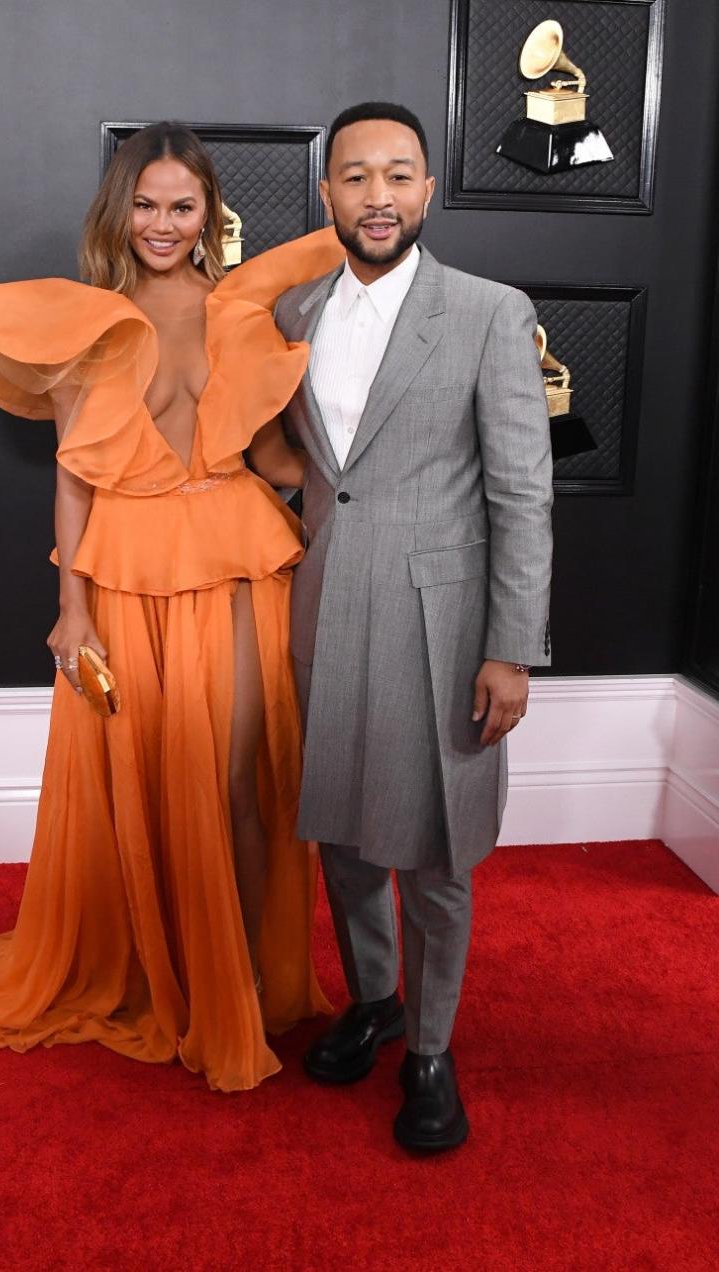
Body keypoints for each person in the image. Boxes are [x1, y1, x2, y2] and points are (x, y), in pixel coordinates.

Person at [0, 123, 343, 1092]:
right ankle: (175, 981)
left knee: (239, 777)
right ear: (119, 210)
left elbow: (268, 456)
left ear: (208, 213)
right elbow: (74, 478)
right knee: (153, 781)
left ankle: (255, 989)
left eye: (182, 206)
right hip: (126, 573)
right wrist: (73, 610)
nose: (163, 224)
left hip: (236, 560)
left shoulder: (240, 312)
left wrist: (363, 500)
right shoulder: (86, 322)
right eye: (146, 204)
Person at [273, 102, 553, 1150]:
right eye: (355, 176)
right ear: (328, 192)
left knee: (436, 855)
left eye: (398, 174)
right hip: (325, 606)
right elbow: (300, 471)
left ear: (429, 190)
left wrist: (512, 647)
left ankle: (432, 1050)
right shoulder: (292, 314)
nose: (377, 195)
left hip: (446, 621)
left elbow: (524, 494)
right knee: (343, 840)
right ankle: (375, 1001)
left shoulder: (488, 309)